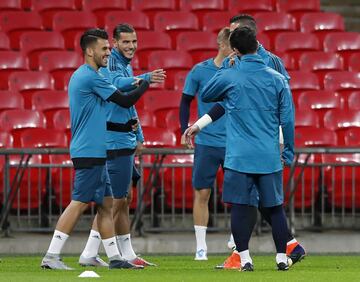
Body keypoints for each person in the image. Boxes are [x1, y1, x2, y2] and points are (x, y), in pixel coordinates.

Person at [183, 14, 305, 269]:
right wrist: (288, 150)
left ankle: (245, 258)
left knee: (241, 205)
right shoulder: (276, 75)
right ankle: (282, 257)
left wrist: (227, 68)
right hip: (268, 152)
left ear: (237, 45)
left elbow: (208, 94)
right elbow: (288, 116)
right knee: (273, 206)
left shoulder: (234, 71)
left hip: (239, 153)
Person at [40, 28, 149, 270]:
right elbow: (125, 100)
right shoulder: (90, 77)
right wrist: (145, 82)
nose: (108, 53)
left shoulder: (89, 76)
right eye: (104, 49)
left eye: (109, 49)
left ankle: (115, 259)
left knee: (106, 204)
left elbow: (101, 118)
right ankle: (51, 256)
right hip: (88, 150)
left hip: (96, 150)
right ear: (90, 51)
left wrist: (125, 126)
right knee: (78, 202)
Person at [79, 23, 165, 267]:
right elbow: (117, 86)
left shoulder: (126, 65)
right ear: (115, 43)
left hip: (125, 138)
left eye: (134, 42)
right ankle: (89, 252)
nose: (131, 46)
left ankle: (127, 254)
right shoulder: (112, 65)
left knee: (124, 199)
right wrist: (146, 78)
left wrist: (139, 136)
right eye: (126, 42)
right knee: (114, 200)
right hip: (113, 140)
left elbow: (129, 104)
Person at [179, 27, 232, 260]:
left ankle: (236, 239)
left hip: (235, 141)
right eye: (234, 46)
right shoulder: (200, 71)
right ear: (222, 45)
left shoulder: (239, 71)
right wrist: (184, 130)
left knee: (238, 192)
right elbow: (185, 102)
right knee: (202, 192)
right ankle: (201, 247)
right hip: (208, 142)